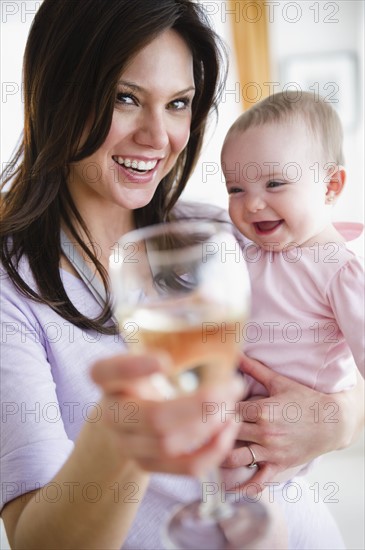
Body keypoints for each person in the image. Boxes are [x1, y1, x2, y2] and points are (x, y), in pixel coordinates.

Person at [0, 1, 363, 548]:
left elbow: (333, 350)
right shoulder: (12, 288)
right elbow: (37, 539)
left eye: (178, 104)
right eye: (126, 98)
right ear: (57, 92)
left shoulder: (221, 232)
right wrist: (121, 433)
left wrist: (337, 422)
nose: (158, 136)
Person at [220, 90, 364, 486]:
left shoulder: (338, 270)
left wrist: (336, 418)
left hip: (285, 426)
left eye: (275, 183)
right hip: (240, 408)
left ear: (331, 186)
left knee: (238, 486)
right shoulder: (246, 252)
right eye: (235, 189)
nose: (251, 205)